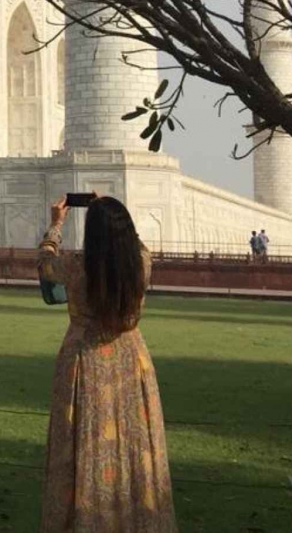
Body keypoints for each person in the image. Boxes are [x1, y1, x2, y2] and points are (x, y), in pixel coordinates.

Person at [37, 195, 176, 532]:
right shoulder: (139, 265)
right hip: (131, 361)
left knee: (81, 445)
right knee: (134, 444)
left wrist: (56, 225)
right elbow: (141, 249)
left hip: (85, 363)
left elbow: (45, 263)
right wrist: (114, 212)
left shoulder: (76, 267)